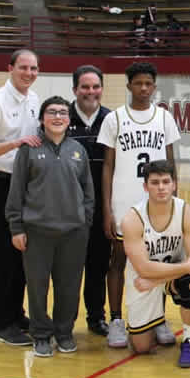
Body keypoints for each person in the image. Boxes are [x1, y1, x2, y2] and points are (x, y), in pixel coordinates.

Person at [97, 62, 181, 349]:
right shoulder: (115, 119)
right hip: (123, 202)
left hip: (156, 203)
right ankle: (117, 319)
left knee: (159, 261)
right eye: (138, 83)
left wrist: (175, 200)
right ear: (129, 85)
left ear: (154, 86)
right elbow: (107, 166)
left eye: (149, 83)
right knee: (118, 261)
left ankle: (156, 318)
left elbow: (171, 163)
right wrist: (107, 209)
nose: (144, 88)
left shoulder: (164, 118)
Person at [6, 95, 94, 357]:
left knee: (69, 287)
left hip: (73, 233)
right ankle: (41, 335)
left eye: (63, 113)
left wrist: (85, 222)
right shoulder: (29, 149)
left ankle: (64, 333)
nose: (58, 117)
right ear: (42, 118)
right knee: (37, 287)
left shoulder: (78, 151)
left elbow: (88, 191)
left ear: (69, 119)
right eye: (52, 112)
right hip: (37, 233)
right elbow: (16, 192)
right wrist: (16, 227)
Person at [0, 49, 41, 346]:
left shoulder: (35, 99)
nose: (29, 73)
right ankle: (4, 323)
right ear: (10, 68)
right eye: (23, 67)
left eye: (34, 68)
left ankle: (16, 313)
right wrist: (15, 143)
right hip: (0, 185)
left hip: (26, 187)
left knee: (21, 255)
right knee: (2, 259)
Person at [120, 160, 190, 366]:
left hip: (166, 278)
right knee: (141, 348)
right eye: (155, 182)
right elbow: (144, 268)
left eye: (166, 182)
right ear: (145, 186)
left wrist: (158, 281)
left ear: (174, 184)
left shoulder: (187, 212)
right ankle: (156, 321)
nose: (161, 188)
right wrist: (183, 268)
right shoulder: (132, 219)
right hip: (143, 278)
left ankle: (189, 339)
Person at [67, 65, 111, 337]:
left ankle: (96, 317)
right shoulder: (61, 116)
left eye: (95, 86)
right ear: (75, 90)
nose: (91, 92)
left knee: (98, 266)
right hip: (69, 209)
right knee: (69, 269)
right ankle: (65, 321)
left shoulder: (112, 119)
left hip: (100, 207)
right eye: (85, 86)